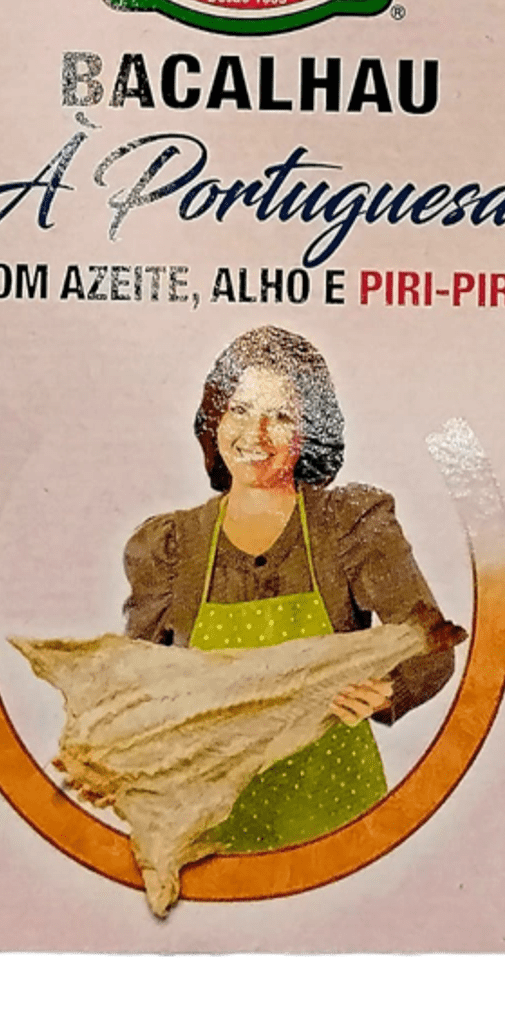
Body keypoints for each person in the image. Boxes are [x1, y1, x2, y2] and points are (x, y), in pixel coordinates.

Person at [122, 327, 455, 853]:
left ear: (310, 432)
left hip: (334, 819)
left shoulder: (349, 526)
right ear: (215, 418)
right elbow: (135, 687)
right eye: (240, 409)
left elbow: (429, 641)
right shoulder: (172, 546)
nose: (255, 433)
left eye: (280, 416)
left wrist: (390, 687)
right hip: (206, 830)